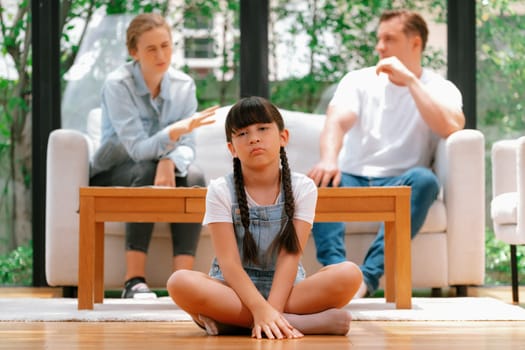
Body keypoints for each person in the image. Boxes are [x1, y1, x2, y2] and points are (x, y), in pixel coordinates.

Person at [167, 96, 362, 339]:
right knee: (179, 282)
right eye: (242, 133)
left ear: (283, 138)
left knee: (349, 274)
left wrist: (271, 309)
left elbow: (290, 256)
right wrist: (259, 309)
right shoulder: (220, 190)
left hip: (288, 289)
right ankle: (302, 323)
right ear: (232, 149)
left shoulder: (304, 187)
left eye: (262, 128)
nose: (254, 138)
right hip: (233, 290)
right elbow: (229, 264)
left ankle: (233, 324)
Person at [308, 9, 466, 298]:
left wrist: (410, 82)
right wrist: (329, 158)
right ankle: (337, 274)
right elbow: (336, 121)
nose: (379, 47)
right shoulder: (358, 80)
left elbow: (452, 126)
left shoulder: (440, 87)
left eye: (389, 39)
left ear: (415, 43)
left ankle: (365, 280)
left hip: (401, 182)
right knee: (316, 182)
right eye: (379, 39)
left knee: (427, 181)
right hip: (351, 177)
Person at [89, 13, 218, 299]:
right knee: (146, 169)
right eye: (151, 48)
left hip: (157, 164)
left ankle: (182, 281)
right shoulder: (117, 84)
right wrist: (173, 134)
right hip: (114, 170)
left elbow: (189, 146)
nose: (161, 54)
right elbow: (135, 149)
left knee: (194, 175)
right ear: (134, 52)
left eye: (166, 45)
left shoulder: (183, 85)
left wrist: (169, 159)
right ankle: (133, 280)